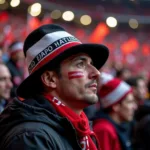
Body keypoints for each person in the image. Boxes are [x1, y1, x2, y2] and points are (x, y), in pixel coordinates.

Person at [0, 24, 109, 150]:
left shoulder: (78, 128)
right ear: (50, 79)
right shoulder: (32, 138)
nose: (96, 73)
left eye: (91, 64)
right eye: (80, 64)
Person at [93, 72, 137, 150]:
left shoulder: (118, 126)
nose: (134, 107)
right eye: (129, 102)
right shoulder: (104, 130)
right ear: (115, 106)